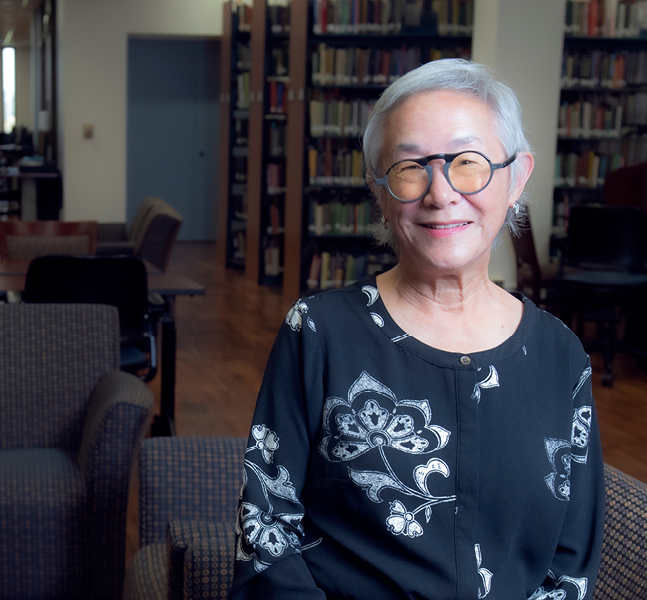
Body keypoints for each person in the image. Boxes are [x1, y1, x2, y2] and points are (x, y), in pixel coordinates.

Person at [232, 59, 603, 600]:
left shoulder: (559, 356)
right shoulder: (317, 332)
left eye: (468, 162)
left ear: (516, 176)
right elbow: (267, 536)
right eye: (411, 168)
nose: (441, 192)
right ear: (378, 190)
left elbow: (570, 563)